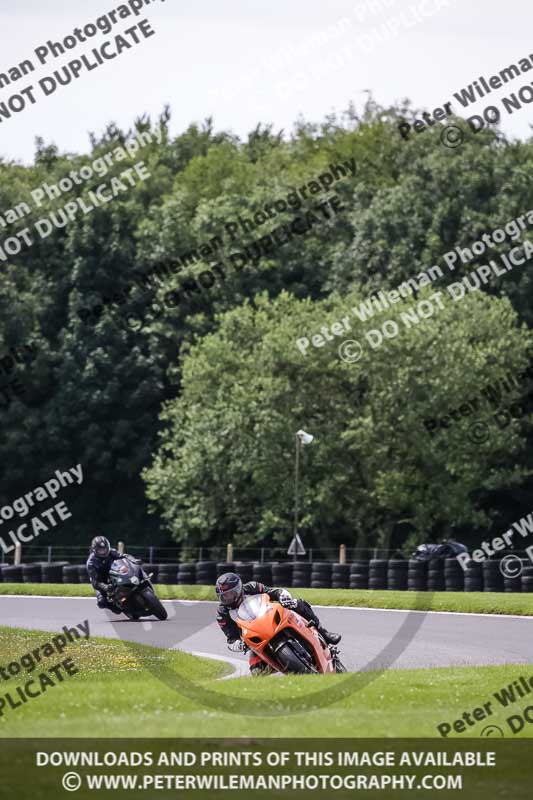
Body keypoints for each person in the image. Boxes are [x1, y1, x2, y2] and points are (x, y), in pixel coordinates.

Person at [215, 572, 341, 675]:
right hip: (255, 640)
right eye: (223, 596)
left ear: (238, 589)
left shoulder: (252, 587)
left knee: (297, 603)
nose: (227, 598)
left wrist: (283, 596)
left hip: (270, 619)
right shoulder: (222, 614)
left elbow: (274, 592)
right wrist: (239, 644)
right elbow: (231, 639)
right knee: (256, 672)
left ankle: (324, 633)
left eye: (229, 594)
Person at [86, 535, 124, 613]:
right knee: (101, 602)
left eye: (104, 549)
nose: (103, 552)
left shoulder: (112, 552)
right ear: (95, 550)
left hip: (115, 572)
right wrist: (105, 587)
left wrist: (133, 560)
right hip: (101, 580)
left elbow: (123, 557)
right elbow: (95, 581)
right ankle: (113, 604)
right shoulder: (91, 563)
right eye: (100, 550)